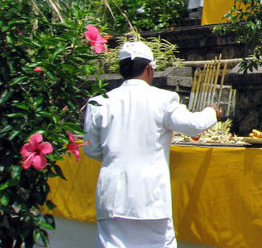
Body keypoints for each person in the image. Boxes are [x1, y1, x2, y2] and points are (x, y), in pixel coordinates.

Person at [83, 41, 222, 248]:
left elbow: (91, 148)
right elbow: (194, 126)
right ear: (149, 68)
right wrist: (212, 111)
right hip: (150, 198)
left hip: (112, 197)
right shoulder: (164, 99)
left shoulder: (99, 103)